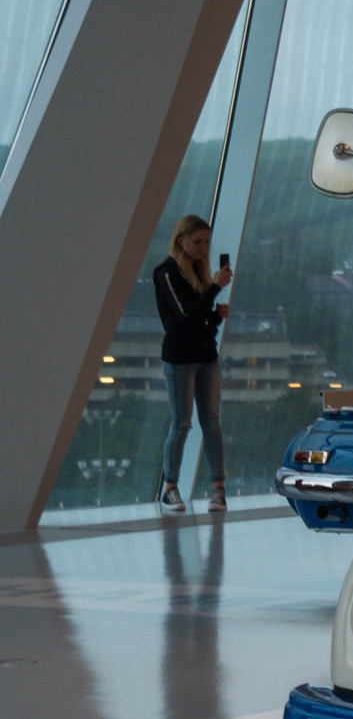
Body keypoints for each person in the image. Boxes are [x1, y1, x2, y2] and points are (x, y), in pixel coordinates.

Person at [153, 214, 232, 514]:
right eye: (197, 241)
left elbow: (201, 321)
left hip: (205, 357)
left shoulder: (199, 274)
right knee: (182, 423)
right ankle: (170, 487)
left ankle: (218, 489)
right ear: (181, 241)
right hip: (180, 361)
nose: (202, 248)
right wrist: (214, 289)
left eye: (206, 242)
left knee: (212, 421)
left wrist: (215, 316)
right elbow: (185, 316)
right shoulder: (167, 273)